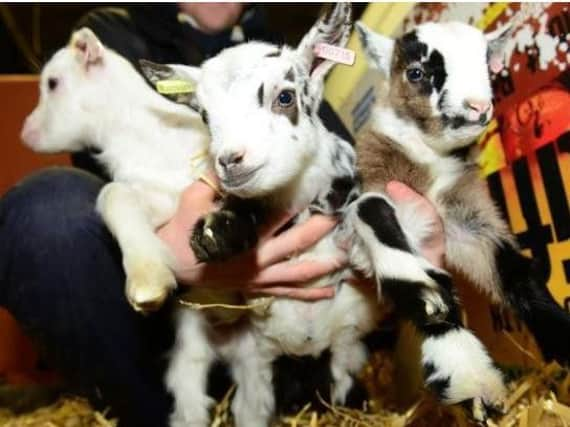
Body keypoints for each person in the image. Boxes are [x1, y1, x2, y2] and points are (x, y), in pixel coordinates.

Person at [0, 4, 446, 426]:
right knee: (47, 211)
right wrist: (174, 254)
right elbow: (109, 169)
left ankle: (318, 394)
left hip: (289, 328)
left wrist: (404, 235)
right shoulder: (117, 36)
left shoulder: (282, 55)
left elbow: (337, 163)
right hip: (162, 330)